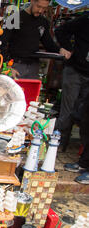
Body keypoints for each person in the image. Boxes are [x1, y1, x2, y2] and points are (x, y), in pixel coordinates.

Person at [54, 12, 89, 183]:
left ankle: (85, 163)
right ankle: (57, 146)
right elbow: (61, 30)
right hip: (76, 70)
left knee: (84, 118)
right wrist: (67, 47)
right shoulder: (85, 19)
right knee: (70, 112)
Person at [0, 0, 71, 79]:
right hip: (15, 65)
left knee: (31, 91)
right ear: (32, 1)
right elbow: (1, 43)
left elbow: (48, 43)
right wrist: (6, 66)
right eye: (38, 6)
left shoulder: (43, 22)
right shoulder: (15, 18)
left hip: (33, 66)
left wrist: (60, 50)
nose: (40, 10)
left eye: (44, 8)